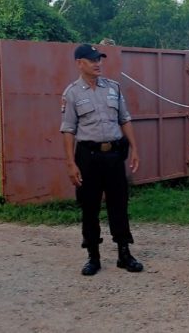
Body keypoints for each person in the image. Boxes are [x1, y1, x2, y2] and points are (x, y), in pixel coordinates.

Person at [60, 43, 143, 276]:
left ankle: (124, 254)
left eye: (99, 59)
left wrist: (135, 149)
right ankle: (93, 256)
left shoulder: (113, 88)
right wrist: (70, 163)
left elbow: (124, 119)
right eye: (92, 60)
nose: (98, 64)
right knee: (90, 207)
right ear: (79, 63)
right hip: (88, 157)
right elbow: (68, 130)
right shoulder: (72, 93)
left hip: (114, 155)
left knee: (119, 204)